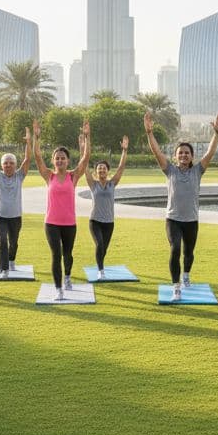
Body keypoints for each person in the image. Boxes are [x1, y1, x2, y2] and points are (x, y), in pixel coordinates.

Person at [144, 111, 218, 301]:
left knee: (189, 253)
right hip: (173, 219)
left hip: (191, 220)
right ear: (176, 156)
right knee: (175, 249)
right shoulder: (169, 170)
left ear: (191, 156)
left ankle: (186, 275)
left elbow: (210, 153)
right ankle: (176, 287)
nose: (184, 155)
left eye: (187, 153)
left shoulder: (198, 171)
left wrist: (217, 133)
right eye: (181, 153)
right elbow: (157, 152)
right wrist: (149, 133)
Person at [32, 120, 91, 300]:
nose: (59, 160)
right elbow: (37, 156)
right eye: (57, 158)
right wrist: (36, 137)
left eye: (62, 158)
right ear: (53, 160)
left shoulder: (73, 176)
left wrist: (87, 137)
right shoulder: (48, 175)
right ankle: (59, 289)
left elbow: (86, 158)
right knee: (56, 255)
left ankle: (67, 277)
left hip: (69, 223)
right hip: (51, 223)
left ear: (67, 161)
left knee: (67, 254)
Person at [0, 124, 31, 278]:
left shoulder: (20, 176)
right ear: (2, 165)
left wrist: (28, 142)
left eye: (11, 162)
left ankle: (11, 261)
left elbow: (27, 158)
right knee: (2, 241)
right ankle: (3, 269)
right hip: (0, 217)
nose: (8, 165)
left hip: (16, 217)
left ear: (15, 165)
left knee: (14, 242)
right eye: (5, 163)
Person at [87, 135, 130, 278]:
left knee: (104, 249)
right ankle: (101, 271)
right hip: (95, 221)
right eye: (99, 169)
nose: (101, 171)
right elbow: (84, 166)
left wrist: (124, 150)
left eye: (104, 169)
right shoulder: (93, 184)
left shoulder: (112, 183)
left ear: (107, 171)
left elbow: (121, 167)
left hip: (109, 222)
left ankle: (100, 264)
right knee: (99, 245)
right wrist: (83, 148)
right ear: (96, 172)